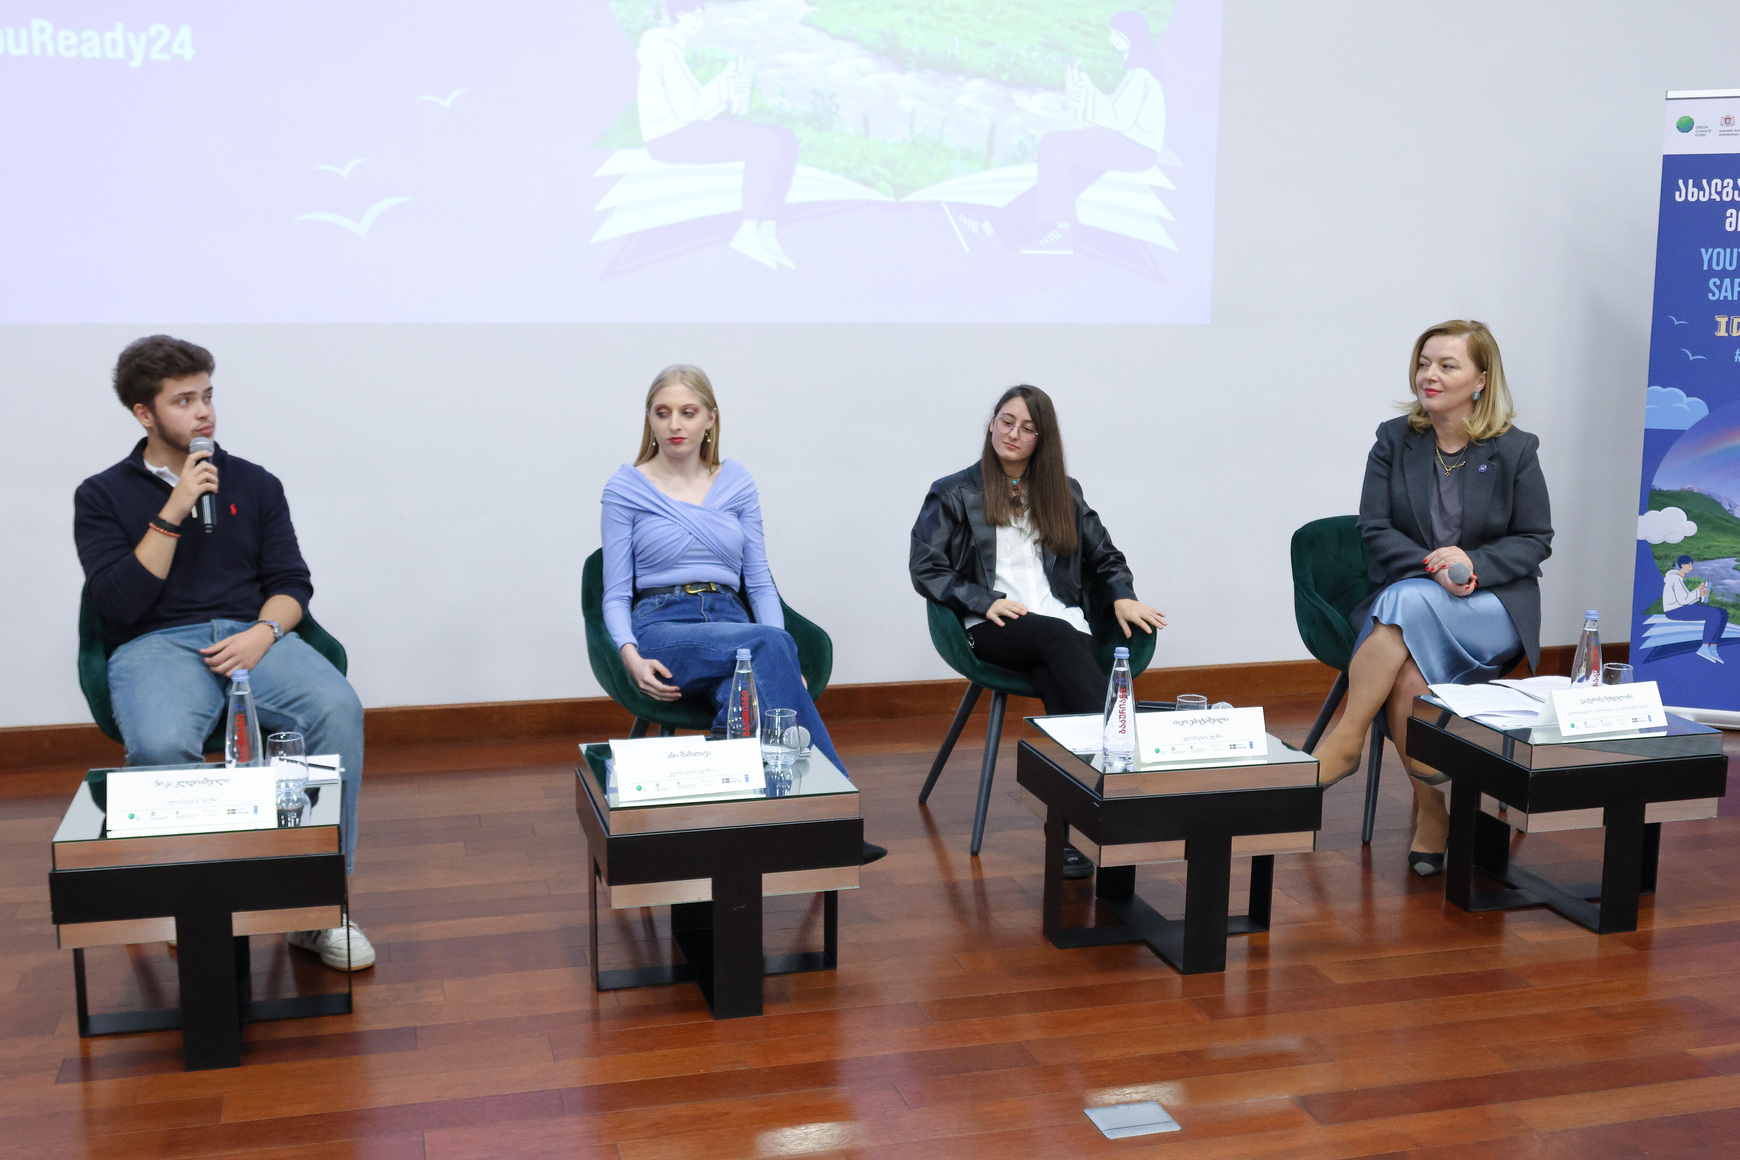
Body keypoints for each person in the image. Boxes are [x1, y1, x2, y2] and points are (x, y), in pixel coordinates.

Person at [72, 336, 373, 970]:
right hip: (154, 645)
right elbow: (119, 603)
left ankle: (316, 905)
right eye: (183, 400)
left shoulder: (255, 483)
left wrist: (263, 633)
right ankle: (194, 905)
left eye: (207, 395)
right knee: (159, 746)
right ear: (144, 414)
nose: (204, 411)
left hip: (250, 634)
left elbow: (292, 584)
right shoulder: (100, 495)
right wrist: (175, 507)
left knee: (336, 709)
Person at [601, 364, 884, 862]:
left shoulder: (736, 481)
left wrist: (782, 653)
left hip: (732, 620)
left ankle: (731, 846)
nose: (675, 425)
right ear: (649, 418)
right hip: (663, 625)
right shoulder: (626, 487)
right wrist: (630, 656)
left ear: (711, 418)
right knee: (765, 648)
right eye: (663, 413)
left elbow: (759, 581)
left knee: (742, 701)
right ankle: (832, 822)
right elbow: (615, 594)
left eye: (688, 412)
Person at [1314, 320, 1553, 877]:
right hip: (1417, 596)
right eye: (1424, 363)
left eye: (1447, 365)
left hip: (1491, 607)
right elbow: (1374, 528)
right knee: (1406, 675)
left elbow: (1534, 540)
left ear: (1481, 379)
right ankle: (1430, 809)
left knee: (1401, 605)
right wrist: (1434, 568)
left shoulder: (1515, 449)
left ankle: (1346, 739)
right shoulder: (1394, 439)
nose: (1430, 375)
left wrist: (1472, 565)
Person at [909, 385, 1167, 877]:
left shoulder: (1063, 491)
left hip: (1059, 628)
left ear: (1041, 439)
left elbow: (1104, 556)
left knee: (1055, 668)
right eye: (1006, 421)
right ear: (991, 423)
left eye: (1027, 428)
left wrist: (1122, 594)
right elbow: (926, 566)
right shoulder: (954, 491)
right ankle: (1128, 771)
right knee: (1057, 641)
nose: (1013, 433)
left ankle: (1070, 833)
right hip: (991, 626)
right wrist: (983, 601)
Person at [636, 0, 800, 269]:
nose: (699, 22)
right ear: (677, 15)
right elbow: (690, 110)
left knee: (786, 138)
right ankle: (748, 232)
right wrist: (724, 86)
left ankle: (768, 232)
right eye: (692, 15)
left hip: (683, 130)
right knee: (765, 142)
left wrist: (725, 86)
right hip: (668, 140)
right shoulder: (665, 51)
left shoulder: (672, 50)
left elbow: (697, 110)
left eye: (701, 16)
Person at [1023, 10, 1167, 255]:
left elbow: (1120, 120)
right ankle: (1038, 224)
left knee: (1052, 146)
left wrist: (1088, 95)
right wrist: (1088, 93)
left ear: (1132, 36)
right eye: (1113, 32)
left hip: (1135, 149)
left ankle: (1060, 231)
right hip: (1129, 143)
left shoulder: (1140, 75)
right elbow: (1116, 112)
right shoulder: (1136, 73)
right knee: (1058, 147)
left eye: (1118, 33)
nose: (1113, 38)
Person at [1664, 555, 1727, 663]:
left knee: (1723, 612)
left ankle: (1713, 647)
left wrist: (1698, 591)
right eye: (1688, 565)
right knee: (1714, 613)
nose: (1691, 567)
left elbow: (1687, 599)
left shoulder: (1678, 579)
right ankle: (1704, 647)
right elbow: (1683, 600)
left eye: (1691, 565)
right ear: (1682, 565)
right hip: (1674, 611)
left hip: (1681, 607)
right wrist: (1698, 593)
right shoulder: (1675, 579)